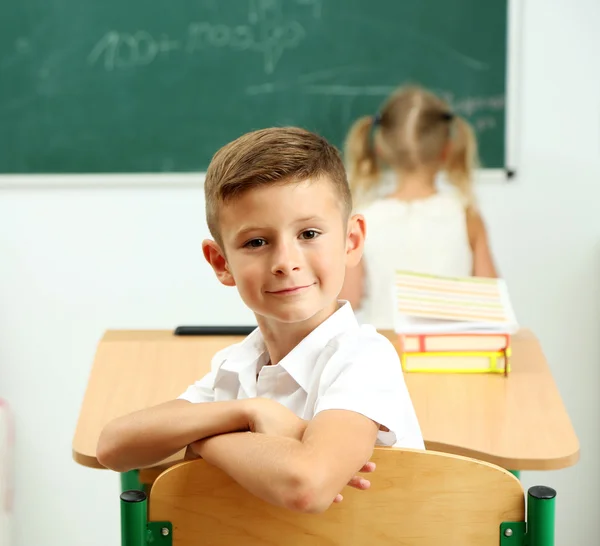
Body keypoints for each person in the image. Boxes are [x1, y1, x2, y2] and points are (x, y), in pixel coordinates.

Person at [97, 127, 423, 514]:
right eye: (256, 242)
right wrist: (248, 413)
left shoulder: (363, 358)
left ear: (351, 241)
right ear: (221, 263)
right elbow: (113, 447)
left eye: (309, 233)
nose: (286, 262)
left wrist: (204, 439)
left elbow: (306, 487)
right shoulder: (236, 368)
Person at [340, 85, 498, 329]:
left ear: (381, 150)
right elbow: (490, 299)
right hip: (452, 354)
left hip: (385, 355)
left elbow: (348, 298)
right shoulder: (465, 214)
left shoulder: (363, 219)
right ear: (447, 150)